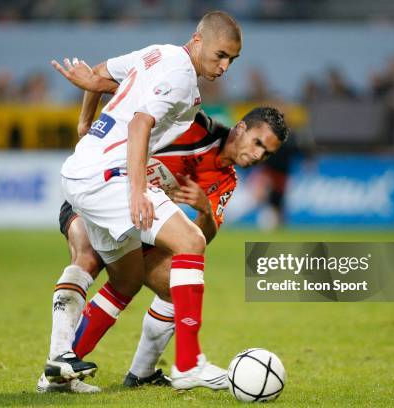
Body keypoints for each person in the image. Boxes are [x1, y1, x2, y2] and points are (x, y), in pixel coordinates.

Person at [40, 80, 287, 394]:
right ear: (240, 128)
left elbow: (199, 241)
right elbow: (121, 94)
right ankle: (57, 364)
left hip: (138, 219)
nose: (257, 155)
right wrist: (87, 117)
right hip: (101, 193)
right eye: (257, 143)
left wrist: (205, 212)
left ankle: (137, 373)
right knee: (88, 257)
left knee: (172, 287)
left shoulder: (226, 179)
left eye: (266, 153)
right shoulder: (191, 127)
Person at [43, 11, 243, 392]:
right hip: (111, 177)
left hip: (84, 170)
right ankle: (188, 363)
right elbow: (139, 124)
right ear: (197, 40)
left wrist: (85, 124)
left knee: (127, 279)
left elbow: (98, 74)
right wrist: (137, 189)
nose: (224, 66)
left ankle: (57, 373)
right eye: (220, 55)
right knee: (191, 242)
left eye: (231, 60)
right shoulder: (181, 78)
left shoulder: (159, 53)